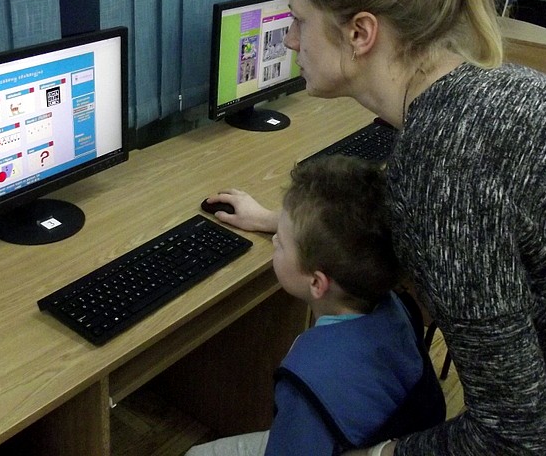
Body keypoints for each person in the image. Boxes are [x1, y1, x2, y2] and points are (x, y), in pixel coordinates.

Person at [205, 0, 546, 456]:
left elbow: (514, 438)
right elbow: (475, 217)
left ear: (360, 33)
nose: (289, 41)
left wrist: (378, 455)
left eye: (299, 21)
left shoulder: (443, 165)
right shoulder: (484, 88)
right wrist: (285, 222)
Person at [188, 156, 445, 456]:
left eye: (282, 242)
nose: (274, 240)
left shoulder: (307, 382)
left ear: (316, 283)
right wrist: (271, 221)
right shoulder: (397, 306)